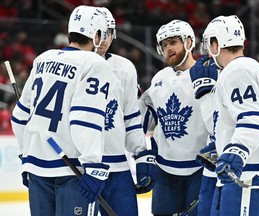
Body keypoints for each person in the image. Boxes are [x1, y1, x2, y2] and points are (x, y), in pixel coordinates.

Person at [11, 5, 118, 215]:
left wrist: (26, 156)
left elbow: (20, 117)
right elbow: (84, 119)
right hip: (72, 170)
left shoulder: (43, 59)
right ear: (96, 35)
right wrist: (93, 163)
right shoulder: (94, 63)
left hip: (36, 169)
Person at [190, 15, 259, 216]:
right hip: (250, 173)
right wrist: (221, 146)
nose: (208, 51)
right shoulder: (247, 68)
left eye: (209, 44)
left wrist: (236, 152)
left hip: (248, 174)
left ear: (217, 43)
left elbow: (253, 119)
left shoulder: (237, 70)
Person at [139, 19, 209, 216]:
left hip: (198, 168)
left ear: (188, 43)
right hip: (164, 167)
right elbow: (146, 120)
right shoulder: (159, 78)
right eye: (164, 44)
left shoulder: (205, 74)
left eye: (173, 42)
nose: (168, 48)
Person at [94, 7, 156, 215]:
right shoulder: (74, 65)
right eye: (98, 32)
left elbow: (130, 116)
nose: (104, 39)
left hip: (118, 166)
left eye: (108, 32)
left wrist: (141, 153)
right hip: (82, 167)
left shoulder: (124, 68)